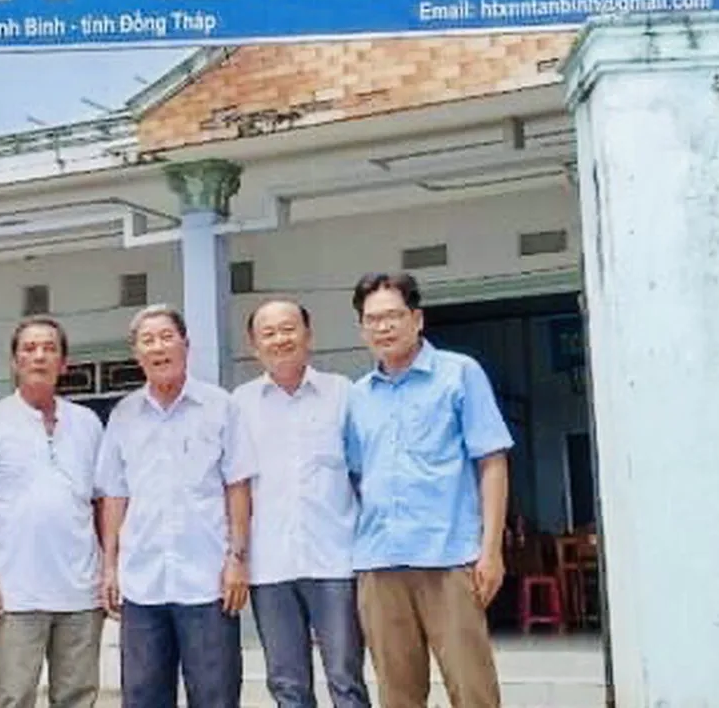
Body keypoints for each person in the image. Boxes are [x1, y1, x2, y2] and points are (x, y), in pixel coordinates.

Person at [345, 273, 513, 708]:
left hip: (448, 557)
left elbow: (492, 462)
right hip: (379, 563)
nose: (383, 327)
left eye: (393, 316)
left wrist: (490, 551)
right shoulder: (358, 397)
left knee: (473, 690)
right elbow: (358, 476)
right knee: (397, 695)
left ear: (417, 319)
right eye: (372, 319)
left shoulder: (459, 374)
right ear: (362, 329)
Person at [96, 304, 254, 708]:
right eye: (147, 341)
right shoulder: (124, 415)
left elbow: (237, 487)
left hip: (207, 583)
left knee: (216, 697)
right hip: (142, 583)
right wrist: (110, 566)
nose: (158, 347)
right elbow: (114, 495)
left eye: (167, 337)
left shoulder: (220, 407)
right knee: (143, 698)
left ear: (186, 344)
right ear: (137, 354)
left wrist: (237, 559)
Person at [232, 299, 371, 708]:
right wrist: (237, 556)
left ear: (308, 335)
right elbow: (236, 487)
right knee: (287, 684)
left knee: (346, 679)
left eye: (288, 329)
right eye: (268, 333)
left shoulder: (342, 394)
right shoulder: (240, 404)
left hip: (335, 562)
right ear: (254, 345)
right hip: (270, 565)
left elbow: (364, 474)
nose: (280, 339)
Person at [0, 317, 106, 708]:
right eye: (29, 348)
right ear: (14, 362)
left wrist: (109, 568)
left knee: (78, 698)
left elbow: (102, 502)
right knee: (13, 697)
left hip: (81, 592)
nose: (39, 356)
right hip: (16, 594)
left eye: (49, 348)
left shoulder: (88, 424)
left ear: (64, 363)